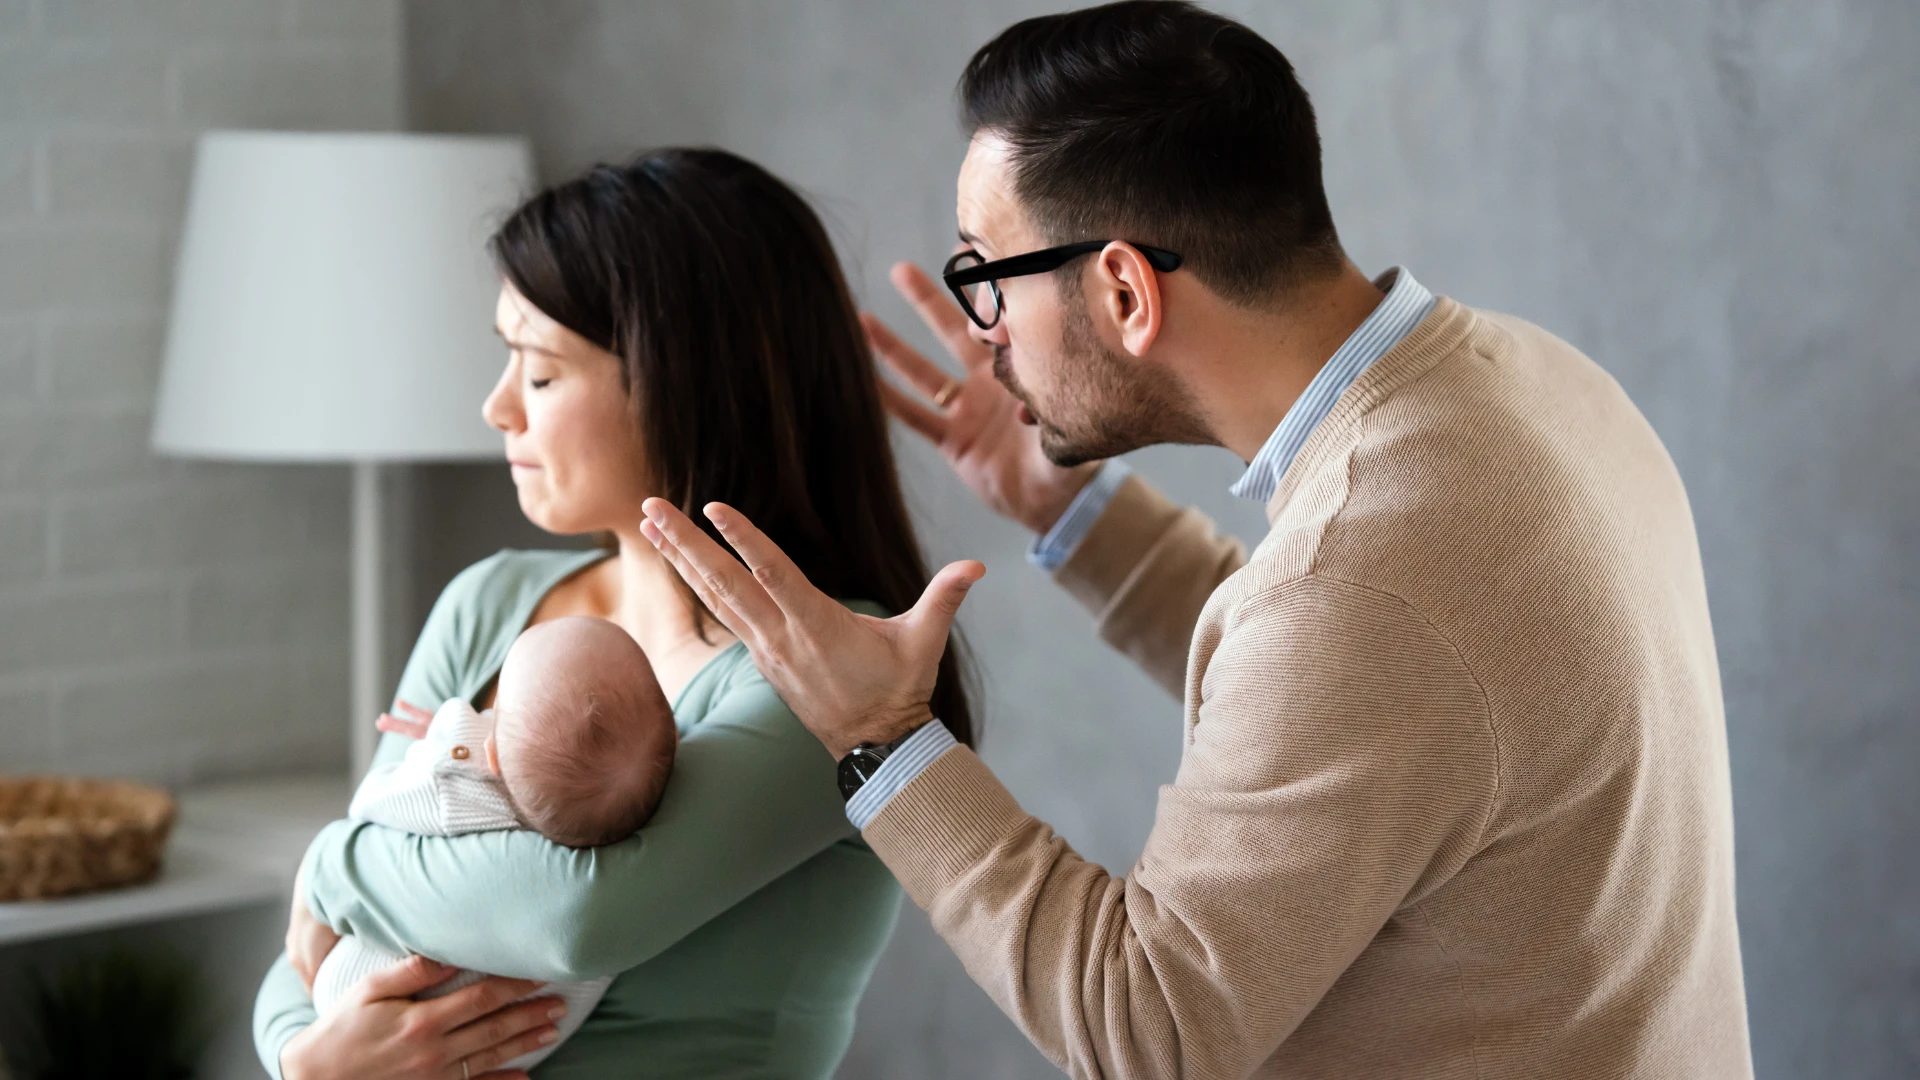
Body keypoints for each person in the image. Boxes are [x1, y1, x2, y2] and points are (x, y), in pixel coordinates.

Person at [637, 3, 1754, 1078]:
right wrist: (1060, 503)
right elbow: (1362, 701)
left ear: (1124, 288)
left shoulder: (1359, 585)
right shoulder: (1527, 380)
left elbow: (1148, 1030)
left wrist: (883, 737)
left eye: (986, 272)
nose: (985, 332)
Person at [253, 147, 975, 1080]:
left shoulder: (832, 670)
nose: (496, 406)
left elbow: (572, 917)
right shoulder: (492, 603)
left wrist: (332, 864)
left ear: (687, 382)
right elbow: (308, 962)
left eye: (542, 373)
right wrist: (304, 1065)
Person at [307, 616, 678, 1072]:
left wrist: (443, 744)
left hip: (373, 993)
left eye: (496, 707)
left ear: (493, 756)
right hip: (522, 1043)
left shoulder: (454, 793)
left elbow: (370, 806)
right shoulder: (628, 849)